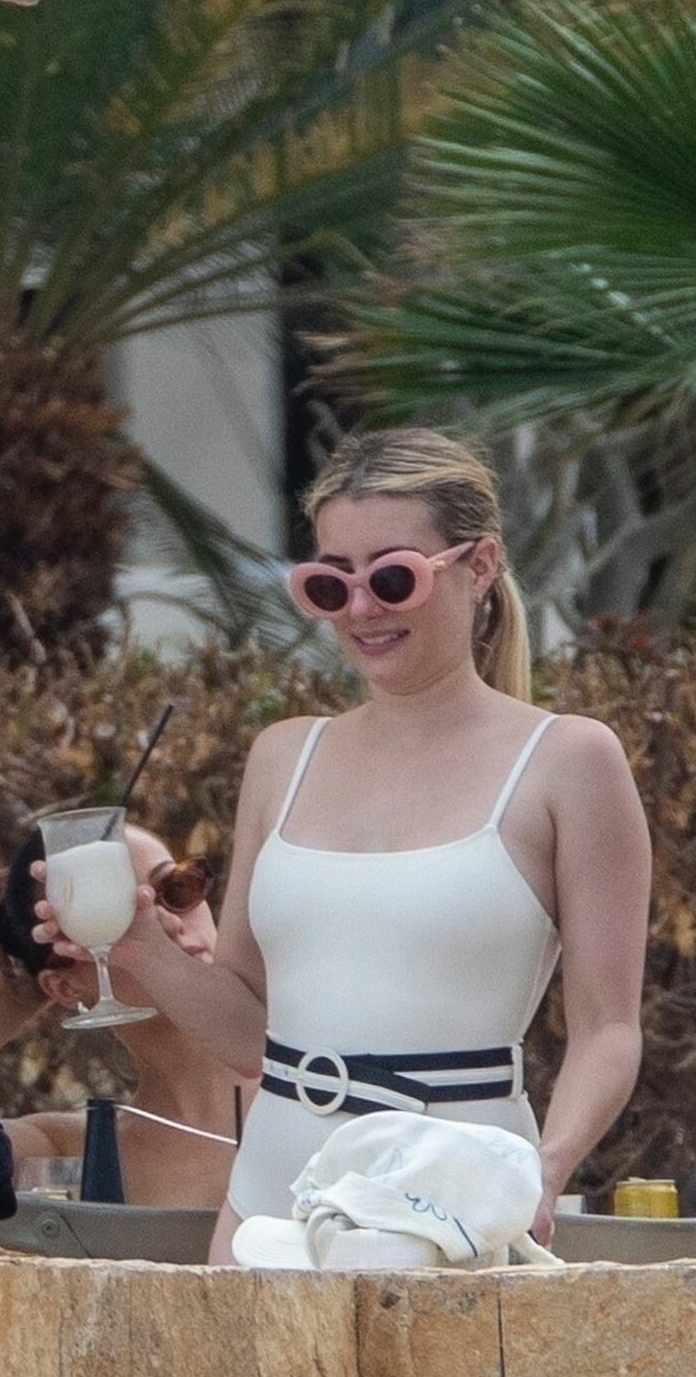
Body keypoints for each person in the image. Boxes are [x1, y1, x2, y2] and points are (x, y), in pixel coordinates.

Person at [36, 429, 652, 1263]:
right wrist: (141, 944)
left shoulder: (569, 760)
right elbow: (252, 1033)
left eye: (392, 578)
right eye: (330, 584)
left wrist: (541, 1173)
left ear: (478, 566)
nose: (361, 610)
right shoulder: (284, 756)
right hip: (270, 1200)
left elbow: (609, 1028)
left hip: (451, 1195)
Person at [0, 824, 242, 1208]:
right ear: (64, 986)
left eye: (177, 888)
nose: (170, 924)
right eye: (121, 913)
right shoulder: (78, 1159)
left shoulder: (315, 1084)